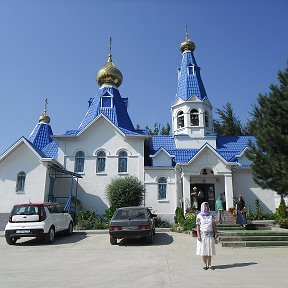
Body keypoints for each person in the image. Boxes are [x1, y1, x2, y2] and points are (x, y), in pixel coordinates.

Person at [196, 202, 217, 270]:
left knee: (209, 251)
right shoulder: (199, 216)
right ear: (202, 207)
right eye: (205, 206)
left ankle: (210, 264)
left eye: (207, 206)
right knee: (203, 251)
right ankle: (205, 264)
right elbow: (198, 226)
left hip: (210, 235)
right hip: (202, 236)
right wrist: (198, 235)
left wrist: (216, 233)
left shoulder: (211, 215)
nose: (206, 208)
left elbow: (214, 224)